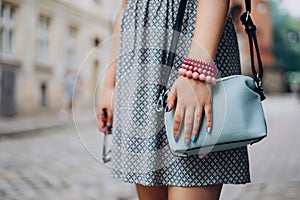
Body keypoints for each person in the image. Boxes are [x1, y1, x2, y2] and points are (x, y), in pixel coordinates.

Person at [97, 0, 250, 199]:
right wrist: (110, 84)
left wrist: (197, 69)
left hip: (191, 39)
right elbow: (125, 6)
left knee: (193, 160)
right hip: (139, 55)